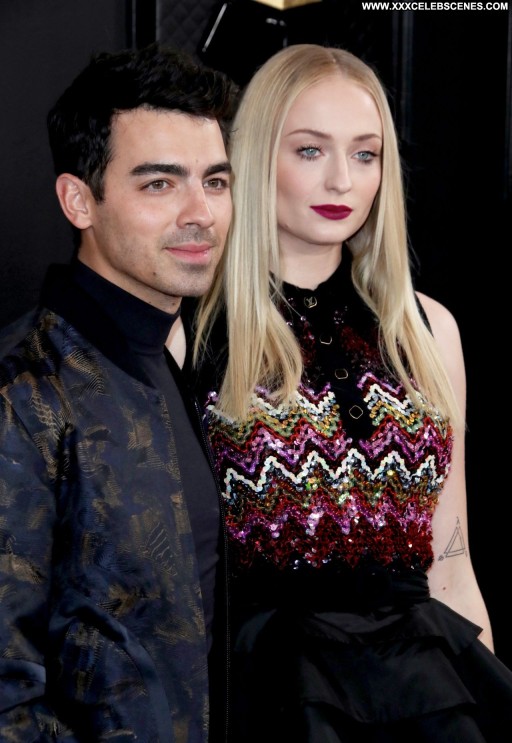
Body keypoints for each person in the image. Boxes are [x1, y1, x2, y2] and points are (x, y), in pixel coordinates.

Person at [191, 43, 512, 741]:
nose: (341, 178)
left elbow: (451, 561)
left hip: (423, 681)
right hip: (275, 686)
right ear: (257, 157)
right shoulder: (195, 330)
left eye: (365, 154)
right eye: (310, 150)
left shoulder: (428, 329)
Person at [0, 43, 238, 741]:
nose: (201, 212)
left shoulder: (179, 357)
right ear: (79, 200)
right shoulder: (23, 390)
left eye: (215, 181)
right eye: (160, 184)